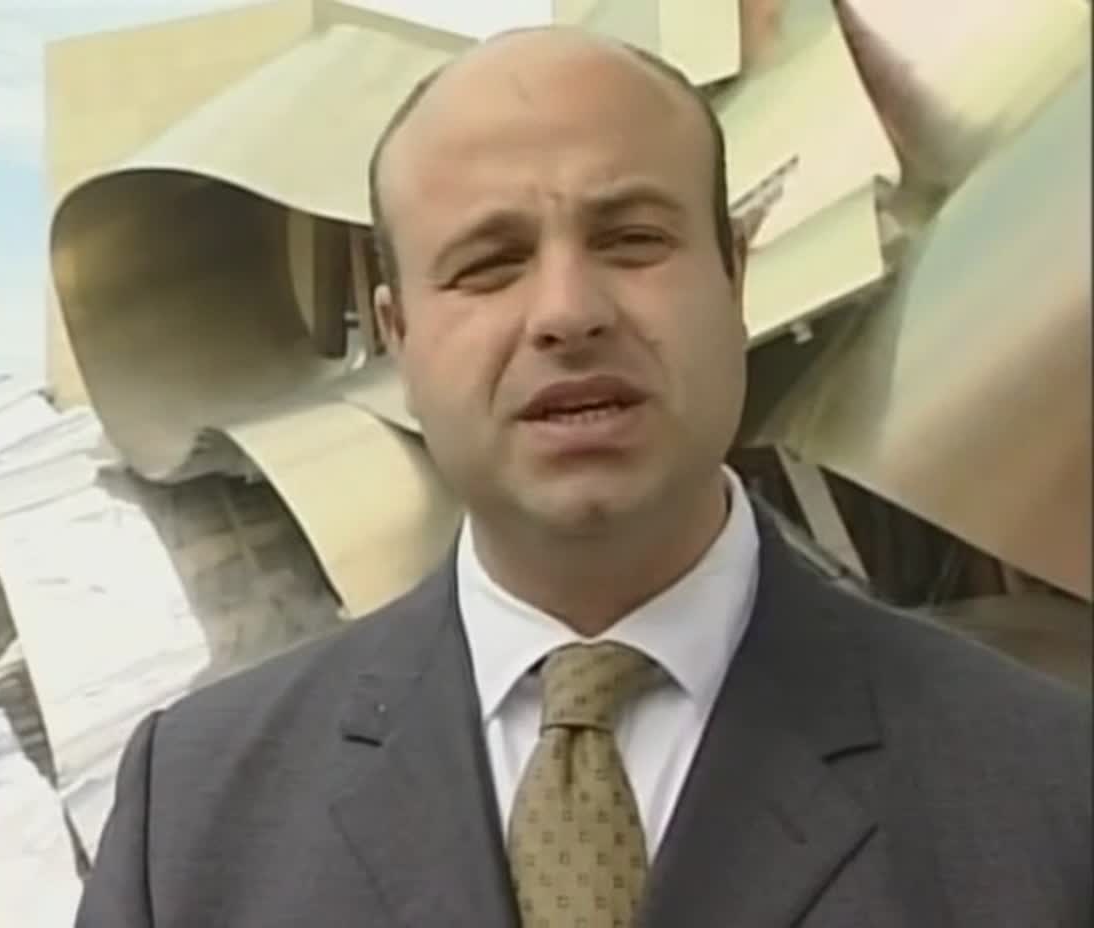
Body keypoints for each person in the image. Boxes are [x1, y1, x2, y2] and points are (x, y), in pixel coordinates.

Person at [75, 27, 1091, 928]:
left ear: (734, 278)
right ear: (400, 336)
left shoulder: (1046, 788)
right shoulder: (198, 814)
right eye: (488, 263)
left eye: (632, 240)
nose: (568, 311)